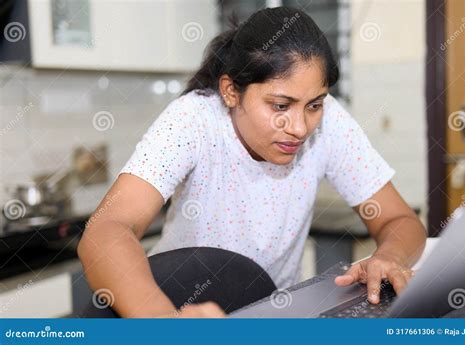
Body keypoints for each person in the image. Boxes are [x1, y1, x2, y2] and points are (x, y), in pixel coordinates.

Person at [77, 6, 427, 318]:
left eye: (314, 105)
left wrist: (391, 256)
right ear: (231, 91)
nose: (300, 127)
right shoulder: (194, 119)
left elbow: (399, 219)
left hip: (268, 308)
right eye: (279, 106)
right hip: (180, 304)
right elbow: (107, 229)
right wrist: (160, 320)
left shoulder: (331, 123)